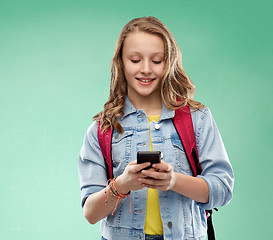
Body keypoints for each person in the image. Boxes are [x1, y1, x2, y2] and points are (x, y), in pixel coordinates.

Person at [78, 16, 234, 240]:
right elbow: (91, 213)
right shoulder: (101, 130)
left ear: (168, 62)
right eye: (134, 59)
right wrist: (123, 184)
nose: (146, 69)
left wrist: (174, 181)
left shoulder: (198, 119)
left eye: (157, 60)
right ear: (121, 62)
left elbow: (223, 190)